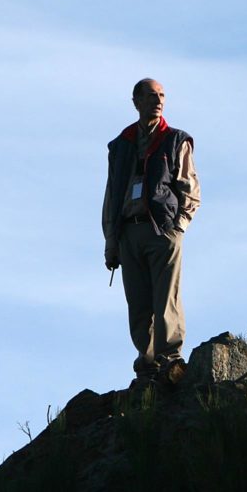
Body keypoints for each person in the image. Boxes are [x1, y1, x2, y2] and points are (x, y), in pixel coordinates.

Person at [102, 78, 201, 385]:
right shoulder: (120, 145)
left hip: (163, 230)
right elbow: (111, 195)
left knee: (166, 298)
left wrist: (178, 227)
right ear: (136, 102)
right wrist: (111, 241)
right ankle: (147, 364)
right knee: (139, 303)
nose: (158, 101)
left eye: (162, 95)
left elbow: (191, 189)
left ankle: (170, 360)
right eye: (151, 96)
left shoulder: (175, 139)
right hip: (128, 233)